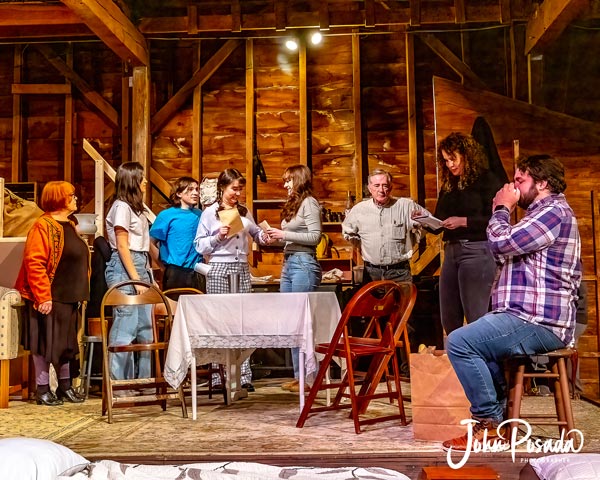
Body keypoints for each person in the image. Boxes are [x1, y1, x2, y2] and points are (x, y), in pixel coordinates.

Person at [442, 154, 581, 452]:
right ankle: (501, 422)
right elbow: (502, 250)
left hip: (539, 320)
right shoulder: (536, 215)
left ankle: (489, 425)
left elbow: (501, 243)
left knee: (460, 342)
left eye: (520, 180)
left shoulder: (554, 211)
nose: (513, 186)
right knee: (480, 344)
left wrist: (502, 208)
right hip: (522, 316)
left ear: (542, 183)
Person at [194, 168, 270, 392]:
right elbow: (199, 245)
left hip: (241, 267)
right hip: (219, 266)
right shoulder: (210, 213)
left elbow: (256, 233)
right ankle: (218, 376)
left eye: (239, 189)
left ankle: (243, 375)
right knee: (219, 321)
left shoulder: (244, 211)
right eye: (233, 189)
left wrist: (264, 236)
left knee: (241, 320)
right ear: (222, 188)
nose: (237, 193)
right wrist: (218, 237)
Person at [15, 181, 88, 406]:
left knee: (65, 345)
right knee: (45, 345)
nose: (75, 199)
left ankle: (65, 387)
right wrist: (42, 296)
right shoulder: (43, 226)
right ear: (58, 198)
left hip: (69, 296)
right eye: (71, 195)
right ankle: (43, 389)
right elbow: (34, 262)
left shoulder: (70, 224)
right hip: (51, 296)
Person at [431, 132, 505, 335]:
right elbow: (440, 218)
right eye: (446, 160)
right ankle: (457, 362)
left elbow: (497, 221)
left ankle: (484, 364)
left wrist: (463, 221)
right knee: (449, 314)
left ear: (466, 155)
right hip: (451, 250)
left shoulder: (487, 180)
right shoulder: (449, 184)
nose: (450, 165)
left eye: (453, 158)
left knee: (476, 315)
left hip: (476, 249)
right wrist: (425, 220)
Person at [266, 165, 322, 393]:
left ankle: (310, 378)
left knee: (302, 321)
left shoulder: (310, 203)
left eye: (289, 180)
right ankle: (299, 377)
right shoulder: (295, 204)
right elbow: (292, 238)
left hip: (303, 264)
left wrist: (284, 234)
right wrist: (275, 239)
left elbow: (315, 236)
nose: (285, 185)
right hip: (289, 262)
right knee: (291, 322)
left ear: (299, 180)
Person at [104, 162, 153, 382]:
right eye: (142, 178)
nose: (145, 182)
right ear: (132, 180)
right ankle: (119, 383)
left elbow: (143, 245)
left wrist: (148, 274)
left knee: (145, 328)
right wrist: (136, 279)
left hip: (140, 264)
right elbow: (123, 245)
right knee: (126, 325)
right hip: (126, 267)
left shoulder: (137, 209)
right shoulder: (121, 207)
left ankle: (143, 382)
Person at [342, 168, 428, 283]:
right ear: (369, 188)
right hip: (371, 273)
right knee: (373, 302)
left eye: (385, 186)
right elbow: (347, 232)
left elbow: (428, 222)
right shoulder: (359, 210)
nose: (381, 190)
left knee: (402, 301)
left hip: (400, 272)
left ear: (391, 187)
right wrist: (363, 245)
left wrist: (412, 240)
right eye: (377, 185)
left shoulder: (406, 206)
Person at [150, 176, 205, 292]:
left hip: (197, 270)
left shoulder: (200, 214)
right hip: (175, 271)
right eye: (190, 189)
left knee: (198, 308)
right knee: (175, 307)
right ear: (179, 193)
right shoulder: (166, 215)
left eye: (196, 189)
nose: (195, 193)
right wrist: (161, 266)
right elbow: (151, 243)